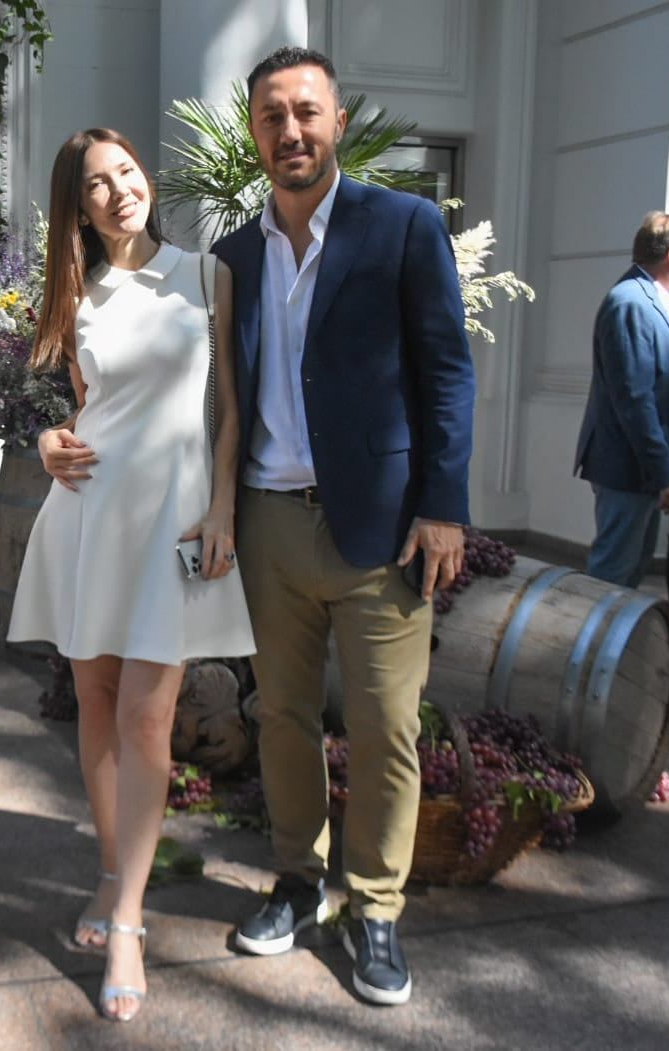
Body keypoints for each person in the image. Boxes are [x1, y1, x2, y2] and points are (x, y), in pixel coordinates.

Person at [210, 47, 475, 1007]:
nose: (291, 130)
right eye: (272, 115)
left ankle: (374, 907)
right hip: (271, 523)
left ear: (338, 123)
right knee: (280, 715)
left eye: (306, 112)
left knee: (384, 725)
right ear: (254, 133)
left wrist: (444, 504)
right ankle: (296, 879)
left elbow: (447, 369)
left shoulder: (403, 226)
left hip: (384, 524)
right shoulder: (235, 255)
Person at [7, 128, 254, 1023]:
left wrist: (223, 507)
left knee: (150, 718)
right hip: (91, 515)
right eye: (96, 186)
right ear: (77, 208)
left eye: (126, 173)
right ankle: (112, 870)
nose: (118, 192)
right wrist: (46, 438)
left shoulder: (206, 274)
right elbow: (71, 405)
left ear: (145, 176)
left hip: (173, 522)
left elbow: (228, 410)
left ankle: (128, 922)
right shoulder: (76, 293)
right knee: (97, 702)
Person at [575, 213, 669, 587]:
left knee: (628, 574)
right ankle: (592, 631)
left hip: (639, 470)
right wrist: (665, 473)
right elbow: (634, 398)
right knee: (611, 578)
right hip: (629, 469)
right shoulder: (631, 303)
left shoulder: (650, 301)